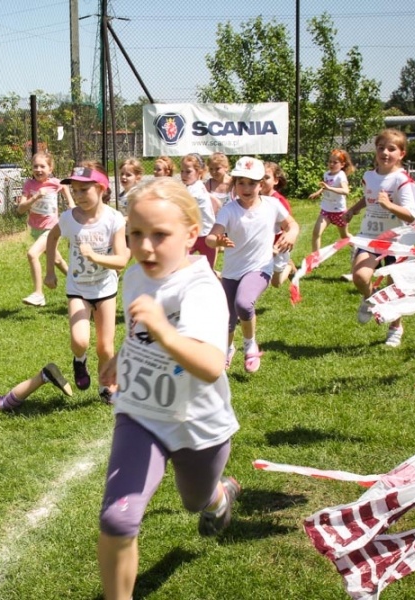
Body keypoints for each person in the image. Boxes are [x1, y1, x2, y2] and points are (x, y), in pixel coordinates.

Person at [97, 177, 240, 600]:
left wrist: (164, 330)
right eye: (135, 234)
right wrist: (120, 358)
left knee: (194, 500)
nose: (145, 247)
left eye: (160, 235)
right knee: (118, 519)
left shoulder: (201, 288)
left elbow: (211, 365)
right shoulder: (135, 276)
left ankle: (218, 496)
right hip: (140, 414)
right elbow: (137, 333)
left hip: (198, 424)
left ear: (192, 235)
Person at [44, 161, 129, 402]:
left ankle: (106, 387)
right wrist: (50, 272)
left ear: (101, 188)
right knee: (80, 340)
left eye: (84, 189)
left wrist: (94, 257)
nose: (79, 195)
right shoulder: (69, 219)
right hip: (78, 288)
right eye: (75, 190)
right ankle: (79, 360)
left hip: (105, 288)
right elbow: (52, 238)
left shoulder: (114, 219)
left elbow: (122, 260)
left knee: (105, 347)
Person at [206, 157, 299, 373]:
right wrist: (217, 241)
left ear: (261, 184)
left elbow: (291, 224)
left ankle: (250, 345)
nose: (246, 188)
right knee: (228, 319)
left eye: (252, 183)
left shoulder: (272, 205)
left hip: (261, 267)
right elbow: (211, 237)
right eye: (241, 183)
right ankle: (228, 349)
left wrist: (291, 233)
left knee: (244, 303)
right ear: (235, 184)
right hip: (232, 271)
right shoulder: (229, 209)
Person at [344, 129, 415, 347]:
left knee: (394, 287)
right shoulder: (369, 176)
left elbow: (411, 215)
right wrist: (354, 209)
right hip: (370, 236)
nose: (385, 152)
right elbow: (369, 196)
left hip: (397, 241)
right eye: (381, 148)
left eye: (391, 149)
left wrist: (389, 205)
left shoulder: (402, 181)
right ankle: (371, 298)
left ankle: (395, 328)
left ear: (402, 154)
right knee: (360, 276)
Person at [15, 151, 75, 307]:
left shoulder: (54, 182)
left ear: (50, 169)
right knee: (57, 260)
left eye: (42, 166)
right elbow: (20, 209)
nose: (38, 169)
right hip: (36, 230)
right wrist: (35, 197)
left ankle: (38, 294)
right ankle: (78, 283)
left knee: (32, 254)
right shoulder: (29, 185)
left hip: (51, 228)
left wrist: (71, 203)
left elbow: (64, 187)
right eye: (35, 166)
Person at [308, 149, 354, 253]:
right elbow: (326, 186)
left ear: (342, 165)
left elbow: (346, 191)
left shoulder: (341, 175)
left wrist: (329, 188)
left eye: (335, 162)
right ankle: (315, 258)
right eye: (330, 161)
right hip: (326, 210)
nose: (331, 164)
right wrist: (318, 192)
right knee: (316, 233)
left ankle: (358, 248)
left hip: (339, 212)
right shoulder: (327, 174)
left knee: (345, 236)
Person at [181, 153, 220, 268]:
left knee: (183, 266)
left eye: (188, 171)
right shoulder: (198, 185)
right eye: (182, 171)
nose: (183, 175)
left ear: (199, 172)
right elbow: (214, 201)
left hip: (205, 236)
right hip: (200, 233)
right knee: (183, 264)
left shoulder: (193, 189)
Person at [262, 162, 296, 288]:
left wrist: (281, 243)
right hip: (265, 244)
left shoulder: (279, 201)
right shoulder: (257, 199)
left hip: (279, 245)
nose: (262, 181)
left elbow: (289, 225)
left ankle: (289, 267)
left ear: (276, 180)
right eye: (260, 177)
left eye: (266, 177)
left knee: (276, 283)